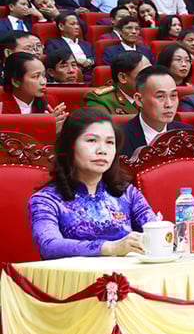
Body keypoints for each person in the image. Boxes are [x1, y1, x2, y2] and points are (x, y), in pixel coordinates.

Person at [28, 109, 156, 260]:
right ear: (69, 146)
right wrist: (110, 247)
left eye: (109, 142)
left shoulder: (127, 193)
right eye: (91, 141)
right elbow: (49, 246)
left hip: (129, 279)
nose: (102, 150)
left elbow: (154, 230)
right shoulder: (46, 200)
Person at [120, 65, 192, 157]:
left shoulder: (186, 133)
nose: (169, 104)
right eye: (160, 97)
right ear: (139, 100)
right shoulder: (120, 137)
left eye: (173, 96)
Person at [1, 52, 67, 127]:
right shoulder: (2, 105)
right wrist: (46, 128)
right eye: (36, 76)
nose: (43, 82)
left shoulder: (49, 101)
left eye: (43, 75)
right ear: (16, 81)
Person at [83, 50, 149, 114]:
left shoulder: (154, 94)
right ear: (122, 77)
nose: (151, 77)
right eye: (144, 73)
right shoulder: (99, 100)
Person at [45, 13, 94, 80]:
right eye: (72, 24)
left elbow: (94, 58)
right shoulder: (53, 43)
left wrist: (90, 61)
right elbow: (54, 62)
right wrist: (78, 63)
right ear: (61, 26)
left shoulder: (86, 44)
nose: (77, 27)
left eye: (77, 24)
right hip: (69, 75)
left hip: (90, 75)